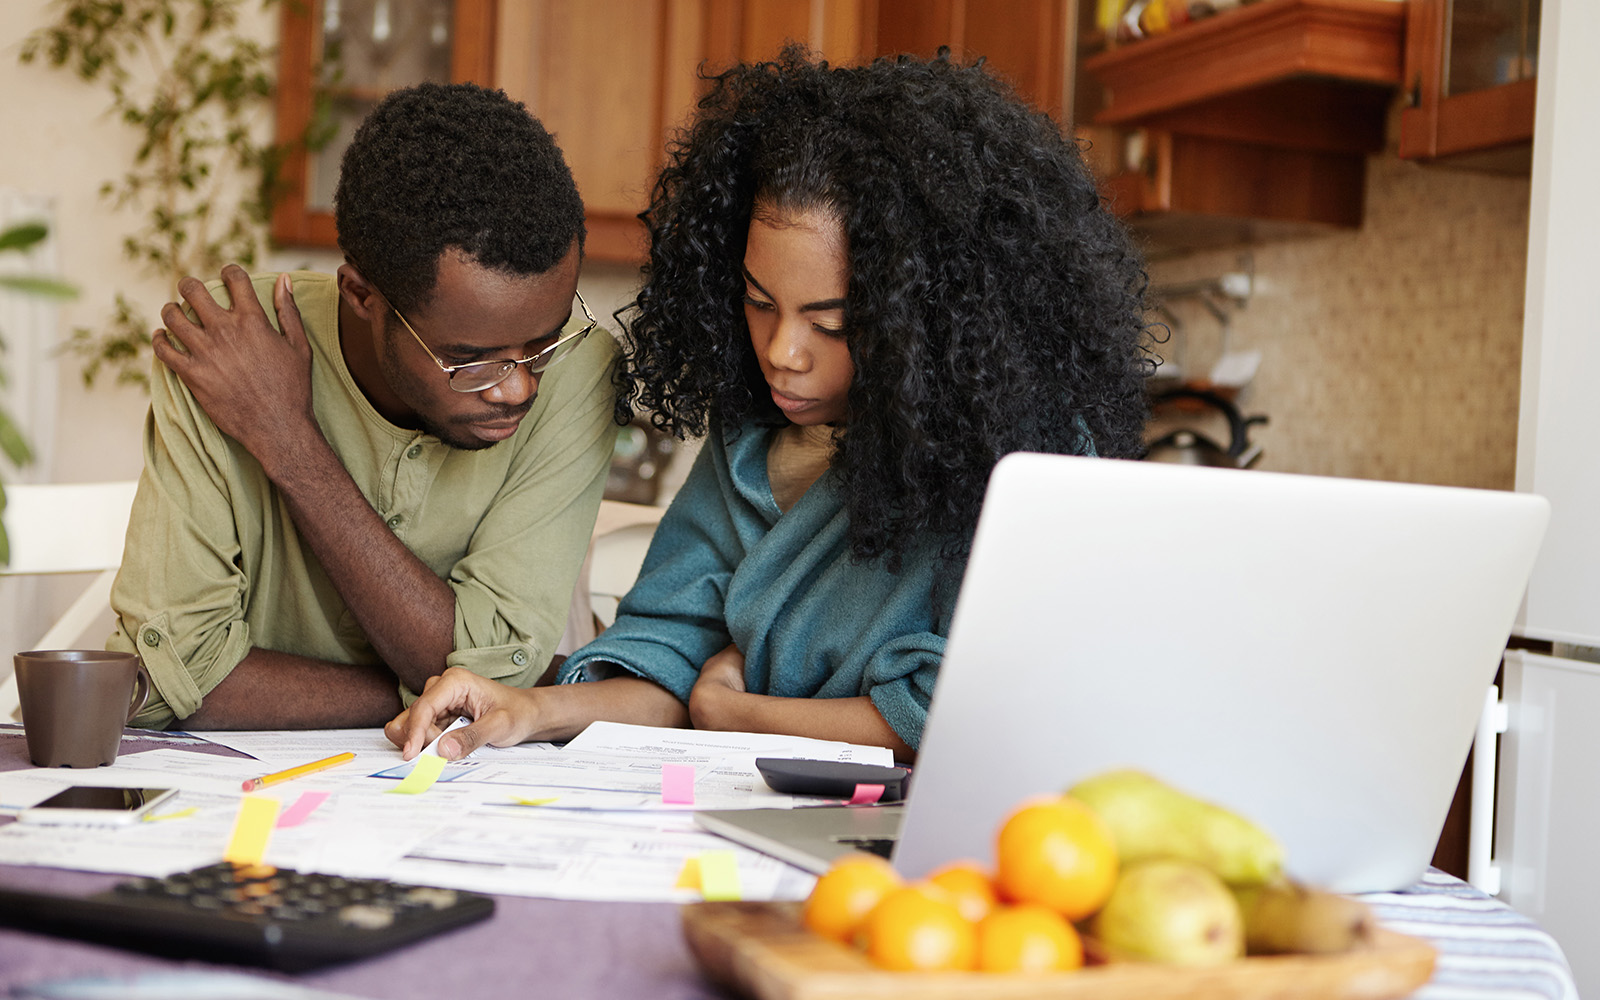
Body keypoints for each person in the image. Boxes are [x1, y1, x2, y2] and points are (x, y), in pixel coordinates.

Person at [388, 49, 1150, 763]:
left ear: (934, 318)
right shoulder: (750, 441)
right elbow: (668, 663)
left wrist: (741, 714)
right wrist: (526, 711)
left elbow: (976, 718)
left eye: (833, 324)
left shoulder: (1024, 459)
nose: (782, 350)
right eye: (757, 303)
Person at [110, 82, 620, 729]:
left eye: (544, 343)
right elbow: (167, 678)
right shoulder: (234, 346)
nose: (517, 387)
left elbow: (499, 678)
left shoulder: (580, 371)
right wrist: (453, 695)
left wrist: (287, 442)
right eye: (469, 359)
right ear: (360, 294)